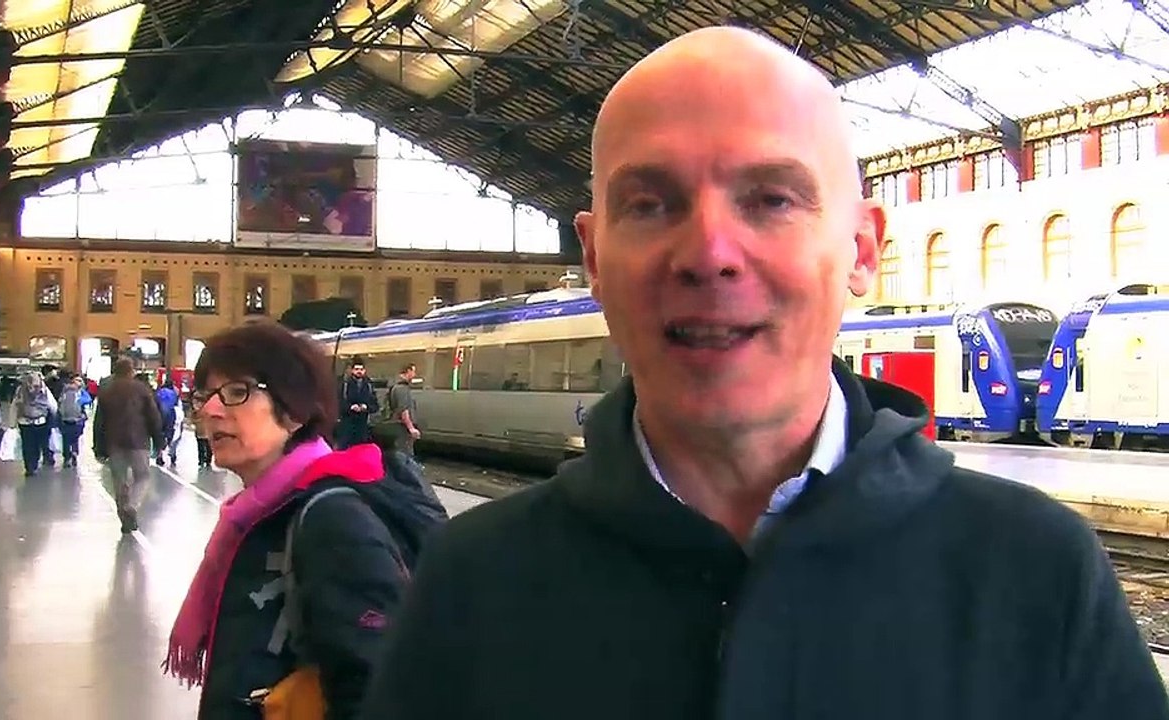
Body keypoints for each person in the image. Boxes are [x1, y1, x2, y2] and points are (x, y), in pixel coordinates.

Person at [360, 27, 1169, 720]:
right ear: (596, 257)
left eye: (772, 198)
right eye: (650, 203)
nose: (710, 253)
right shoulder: (469, 584)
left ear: (860, 249)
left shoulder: (1035, 570)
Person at [162, 319, 447, 720]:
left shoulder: (332, 519)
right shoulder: (261, 511)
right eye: (205, 394)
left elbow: (377, 686)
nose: (210, 410)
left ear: (295, 411)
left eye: (237, 392)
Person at [93, 356, 165, 533]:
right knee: (142, 476)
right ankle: (132, 505)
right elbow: (153, 416)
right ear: (131, 370)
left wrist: (99, 447)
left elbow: (99, 422)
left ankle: (125, 520)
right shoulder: (141, 389)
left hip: (114, 442)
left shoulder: (107, 391)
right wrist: (159, 440)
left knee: (119, 482)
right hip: (139, 441)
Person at [337, 357, 378, 448]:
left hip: (363, 426)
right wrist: (350, 407)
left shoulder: (369, 385)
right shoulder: (344, 385)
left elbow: (375, 406)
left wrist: (366, 407)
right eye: (356, 369)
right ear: (352, 370)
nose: (359, 371)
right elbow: (338, 403)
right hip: (347, 425)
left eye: (361, 369)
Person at [57, 375, 89, 468]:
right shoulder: (80, 393)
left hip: (65, 419)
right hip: (77, 419)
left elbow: (59, 404)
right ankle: (74, 452)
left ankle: (67, 457)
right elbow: (88, 400)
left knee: (65, 439)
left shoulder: (64, 391)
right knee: (75, 438)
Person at [155, 378, 183, 466]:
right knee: (174, 434)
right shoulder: (174, 393)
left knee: (160, 435)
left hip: (159, 415)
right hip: (172, 414)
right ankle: (172, 454)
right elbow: (178, 405)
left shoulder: (159, 392)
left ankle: (159, 455)